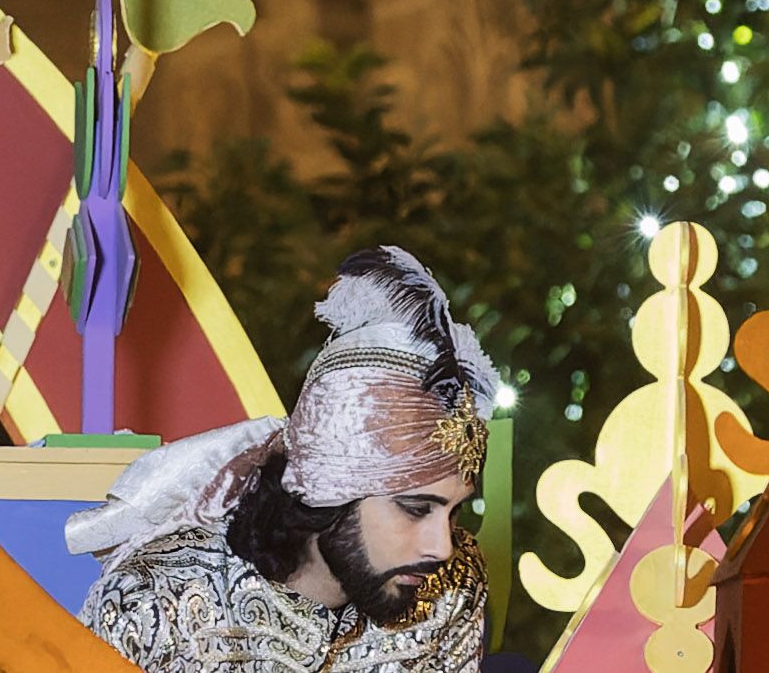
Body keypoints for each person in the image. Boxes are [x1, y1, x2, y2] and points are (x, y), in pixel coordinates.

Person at [68, 247, 499, 671]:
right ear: (329, 485)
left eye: (454, 511)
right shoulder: (162, 601)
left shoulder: (450, 589)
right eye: (416, 508)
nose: (441, 546)